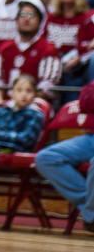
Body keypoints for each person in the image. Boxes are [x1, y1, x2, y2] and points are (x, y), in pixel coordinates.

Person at [35, 77, 94, 231]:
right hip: (91, 138)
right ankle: (91, 206)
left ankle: (91, 216)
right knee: (46, 158)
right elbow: (85, 101)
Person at [0, 74, 44, 193]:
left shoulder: (36, 115)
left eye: (29, 91)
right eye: (19, 90)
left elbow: (26, 139)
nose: (24, 95)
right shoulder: (2, 111)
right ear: (12, 93)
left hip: (16, 147)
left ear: (35, 94)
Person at [0, 0, 61, 102]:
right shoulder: (5, 48)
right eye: (23, 15)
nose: (27, 18)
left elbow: (47, 85)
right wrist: (1, 104)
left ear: (40, 22)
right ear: (17, 20)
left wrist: (24, 102)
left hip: (36, 107)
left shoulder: (48, 49)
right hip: (7, 105)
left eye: (31, 15)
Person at [45, 0, 94, 98]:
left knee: (72, 78)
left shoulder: (86, 18)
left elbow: (89, 47)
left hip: (75, 65)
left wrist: (77, 59)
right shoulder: (52, 17)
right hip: (53, 60)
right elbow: (43, 41)